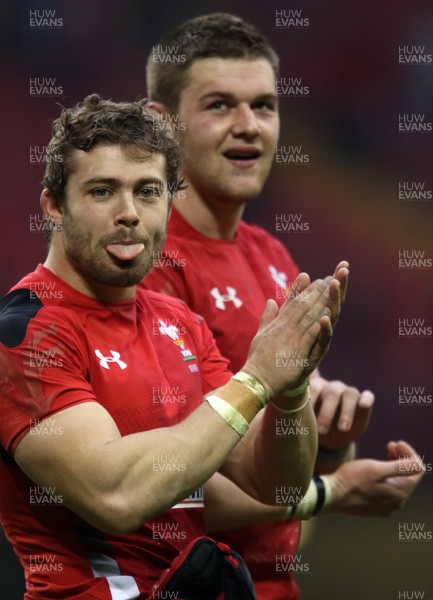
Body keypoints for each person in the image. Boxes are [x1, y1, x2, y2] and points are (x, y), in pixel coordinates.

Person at [0, 93, 352, 599]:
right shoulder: (27, 333)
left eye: (147, 191)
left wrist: (290, 389)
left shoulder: (179, 322)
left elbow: (274, 484)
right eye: (102, 192)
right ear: (53, 206)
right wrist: (256, 380)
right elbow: (115, 494)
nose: (128, 214)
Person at [143, 13, 425, 599]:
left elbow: (285, 463)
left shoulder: (272, 256)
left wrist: (328, 436)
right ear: (161, 124)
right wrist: (337, 490)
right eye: (219, 105)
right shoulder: (143, 263)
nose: (249, 127)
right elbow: (160, 490)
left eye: (264, 106)